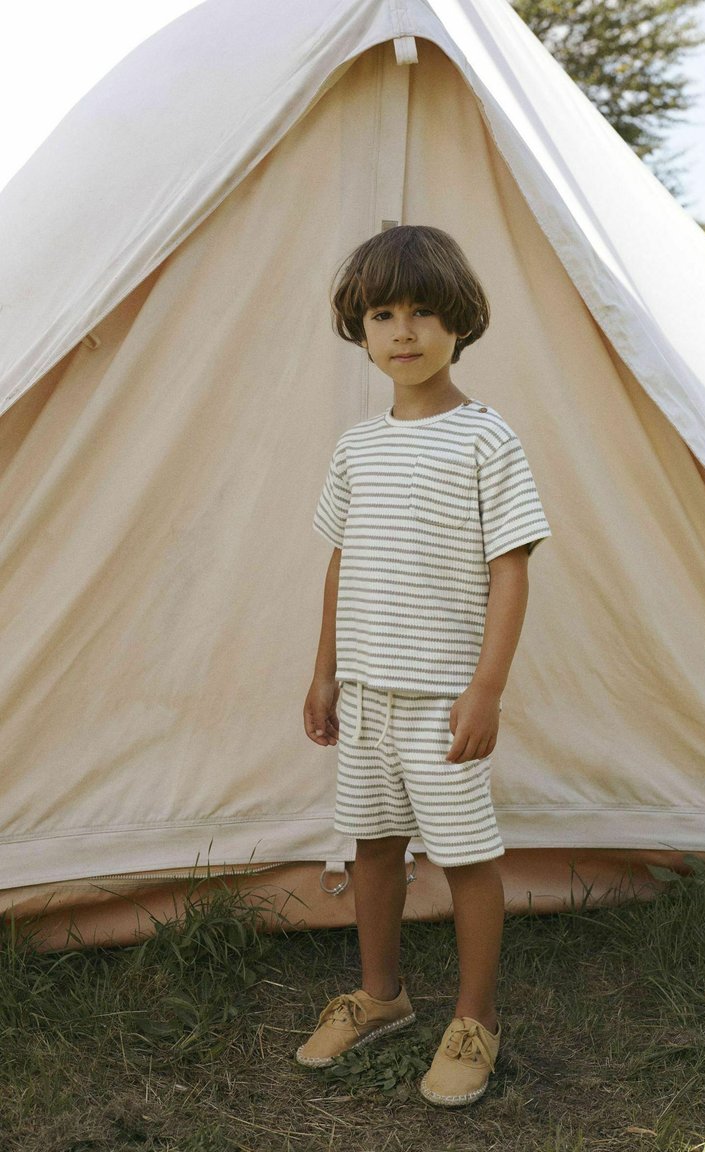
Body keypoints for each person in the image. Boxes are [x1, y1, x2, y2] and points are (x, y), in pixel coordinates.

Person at [299, 224, 550, 1107]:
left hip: (443, 699)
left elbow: (510, 568)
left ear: (460, 324)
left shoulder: (487, 440)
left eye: (423, 313)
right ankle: (381, 996)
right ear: (360, 329)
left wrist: (486, 688)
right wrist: (324, 672)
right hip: (364, 695)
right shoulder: (357, 448)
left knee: (466, 855)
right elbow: (342, 560)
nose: (403, 331)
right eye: (383, 314)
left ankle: (475, 1018)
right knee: (373, 844)